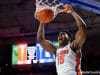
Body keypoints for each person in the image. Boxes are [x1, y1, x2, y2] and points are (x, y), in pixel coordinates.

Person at [37, 4, 87, 75]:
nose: (60, 35)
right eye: (59, 35)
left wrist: (72, 12)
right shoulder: (56, 51)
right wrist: (42, 22)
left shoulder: (73, 46)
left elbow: (83, 29)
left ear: (69, 39)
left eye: (63, 34)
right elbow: (40, 39)